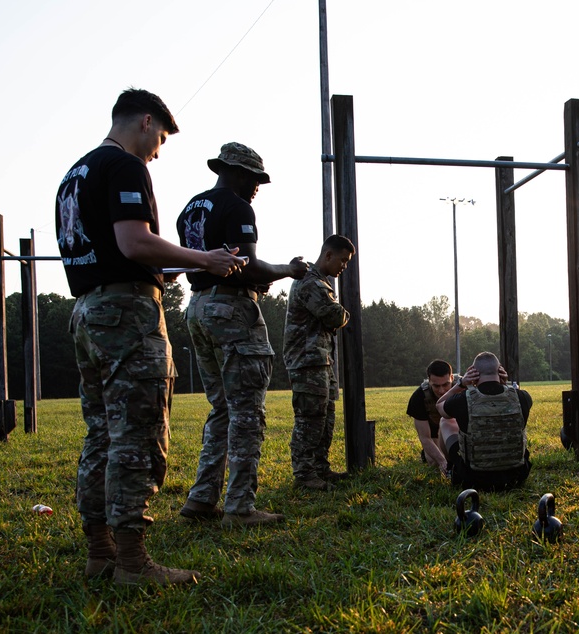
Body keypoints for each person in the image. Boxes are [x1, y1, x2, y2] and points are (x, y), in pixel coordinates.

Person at [55, 88, 246, 585]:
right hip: (126, 317)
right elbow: (133, 240)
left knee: (100, 434)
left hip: (89, 312)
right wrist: (205, 258)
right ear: (145, 122)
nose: (158, 150)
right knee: (138, 437)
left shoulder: (73, 176)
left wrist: (166, 268)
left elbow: (112, 250)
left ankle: (101, 554)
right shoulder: (124, 166)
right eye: (160, 138)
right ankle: (135, 563)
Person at [176, 142, 309, 527]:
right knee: (247, 412)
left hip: (198, 307)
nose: (256, 188)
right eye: (253, 179)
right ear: (235, 173)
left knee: (221, 409)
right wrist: (288, 269)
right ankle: (239, 507)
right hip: (232, 312)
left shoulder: (191, 207)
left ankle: (201, 500)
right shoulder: (237, 207)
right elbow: (247, 267)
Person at [283, 234, 355, 491]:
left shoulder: (321, 282)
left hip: (320, 359)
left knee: (325, 418)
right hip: (307, 360)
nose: (343, 266)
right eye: (342, 260)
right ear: (327, 255)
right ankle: (304, 474)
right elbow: (333, 315)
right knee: (310, 418)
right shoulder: (310, 282)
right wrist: (344, 312)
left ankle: (320, 468)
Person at [436, 352, 532, 492]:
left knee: (445, 421)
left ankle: (450, 469)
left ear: (474, 373)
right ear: (499, 371)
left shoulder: (462, 399)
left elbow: (439, 405)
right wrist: (504, 382)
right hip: (516, 476)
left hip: (473, 479)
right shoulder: (523, 397)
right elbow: (509, 395)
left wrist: (461, 384)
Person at [405, 359, 461, 476]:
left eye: (445, 384)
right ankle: (427, 454)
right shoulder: (419, 397)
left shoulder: (464, 388)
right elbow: (425, 438)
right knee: (433, 462)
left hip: (459, 432)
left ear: (451, 378)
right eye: (436, 386)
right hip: (435, 435)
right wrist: (442, 462)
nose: (441, 390)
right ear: (429, 381)